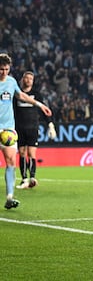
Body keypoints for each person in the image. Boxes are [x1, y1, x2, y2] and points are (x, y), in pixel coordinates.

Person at [0, 54, 52, 209]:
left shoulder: (11, 82)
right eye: (1, 69)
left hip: (8, 129)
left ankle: (9, 197)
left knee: (11, 162)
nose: (4, 72)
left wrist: (39, 105)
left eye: (6, 69)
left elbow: (21, 95)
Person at [14, 71, 57, 189]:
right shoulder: (17, 94)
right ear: (22, 79)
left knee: (31, 153)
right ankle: (24, 179)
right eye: (26, 78)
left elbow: (44, 110)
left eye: (30, 79)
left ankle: (32, 177)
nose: (28, 80)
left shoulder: (36, 94)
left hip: (33, 127)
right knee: (22, 153)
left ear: (32, 82)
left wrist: (50, 124)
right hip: (20, 128)